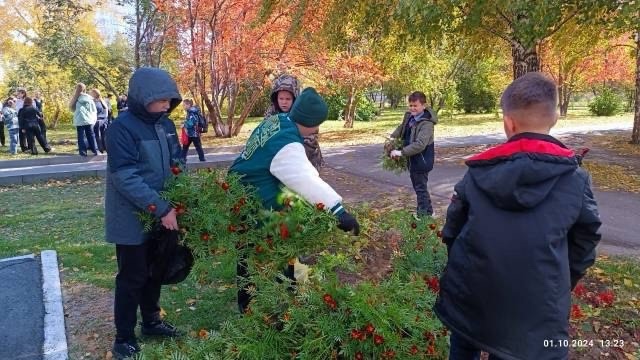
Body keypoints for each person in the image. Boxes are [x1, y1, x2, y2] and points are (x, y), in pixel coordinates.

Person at [434, 72, 602, 360]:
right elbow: (585, 242)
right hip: (539, 309)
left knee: (464, 346)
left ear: (508, 123)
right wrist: (560, 280)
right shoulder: (575, 180)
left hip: (473, 297)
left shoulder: (477, 174)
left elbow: (452, 231)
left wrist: (469, 270)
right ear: (555, 117)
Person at [229, 87, 360, 313]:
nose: (318, 129)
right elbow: (304, 179)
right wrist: (339, 212)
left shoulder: (279, 120)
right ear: (309, 121)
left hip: (243, 193)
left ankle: (251, 305)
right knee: (272, 250)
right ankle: (276, 307)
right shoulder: (287, 142)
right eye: (318, 124)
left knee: (248, 251)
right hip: (257, 202)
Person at [104, 67, 184, 360]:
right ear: (143, 96)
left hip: (163, 214)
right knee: (132, 276)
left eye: (170, 100)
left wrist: (182, 196)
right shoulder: (121, 128)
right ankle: (123, 337)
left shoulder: (165, 125)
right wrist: (161, 208)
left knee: (155, 271)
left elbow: (178, 163)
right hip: (131, 216)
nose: (167, 105)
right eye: (161, 99)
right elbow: (125, 177)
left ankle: (151, 321)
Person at [389, 91, 438, 217]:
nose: (412, 108)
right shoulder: (410, 117)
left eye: (415, 105)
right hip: (413, 159)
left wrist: (401, 152)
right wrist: (393, 137)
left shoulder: (426, 124)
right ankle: (429, 212)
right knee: (420, 187)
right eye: (410, 105)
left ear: (424, 105)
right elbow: (402, 127)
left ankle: (422, 216)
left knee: (420, 188)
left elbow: (420, 144)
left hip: (422, 160)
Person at [265, 74, 324, 170]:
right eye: (281, 99)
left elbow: (310, 141)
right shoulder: (271, 111)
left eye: (288, 99)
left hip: (307, 159)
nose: (284, 102)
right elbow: (265, 136)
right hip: (280, 159)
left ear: (295, 98)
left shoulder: (303, 112)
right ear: (276, 98)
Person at [69, 83, 99, 156]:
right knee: (91, 135)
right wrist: (93, 118)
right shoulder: (89, 98)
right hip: (89, 119)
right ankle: (95, 150)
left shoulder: (75, 98)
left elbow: (71, 109)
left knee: (81, 136)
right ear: (85, 89)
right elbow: (93, 110)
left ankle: (82, 152)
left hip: (79, 120)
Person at [91, 89, 109, 153]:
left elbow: (94, 112)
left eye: (91, 93)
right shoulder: (102, 101)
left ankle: (100, 148)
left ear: (94, 94)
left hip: (98, 120)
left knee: (97, 135)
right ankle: (105, 148)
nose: (90, 94)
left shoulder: (95, 102)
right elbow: (106, 112)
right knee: (103, 135)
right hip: (103, 120)